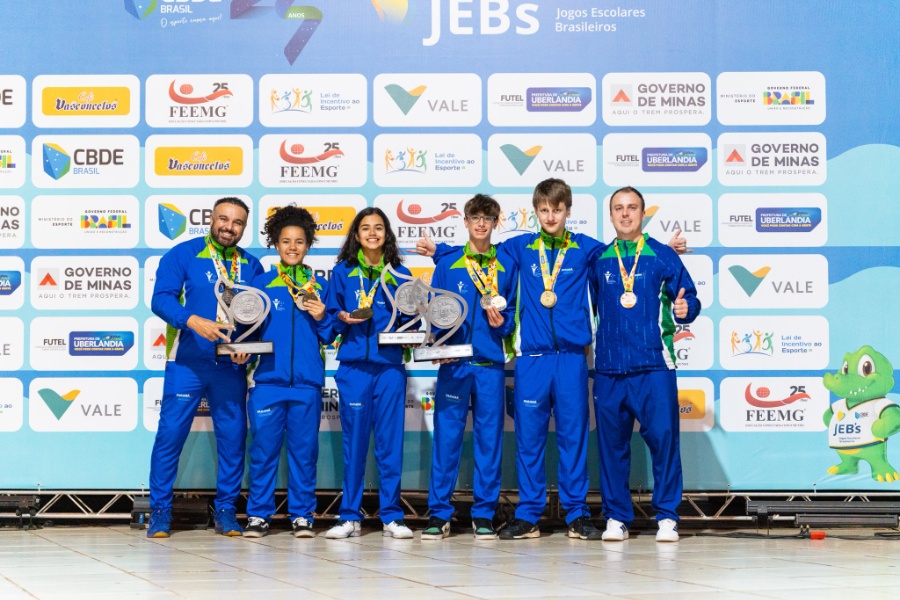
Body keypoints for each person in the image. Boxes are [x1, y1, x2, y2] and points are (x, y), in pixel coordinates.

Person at [419, 179, 605, 540]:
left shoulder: (584, 248)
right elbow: (475, 253)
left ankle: (576, 514)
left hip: (569, 357)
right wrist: (441, 249)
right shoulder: (518, 248)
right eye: (544, 210)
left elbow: (620, 251)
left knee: (573, 438)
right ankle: (529, 513)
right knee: (528, 441)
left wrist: (663, 251)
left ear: (568, 210)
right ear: (535, 212)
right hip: (530, 358)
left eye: (557, 209)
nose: (550, 216)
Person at [148, 196, 264, 538]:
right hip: (187, 362)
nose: (229, 227)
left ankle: (226, 511)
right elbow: (160, 299)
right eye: (224, 219)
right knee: (170, 437)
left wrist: (248, 350)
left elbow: (257, 316)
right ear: (211, 219)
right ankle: (160, 512)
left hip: (230, 366)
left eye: (238, 222)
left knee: (233, 438)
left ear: (244, 227)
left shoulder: (252, 265)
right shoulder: (183, 254)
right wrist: (191, 319)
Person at [590, 186, 700, 543]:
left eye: (632, 207)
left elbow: (690, 298)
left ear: (642, 213)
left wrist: (687, 310)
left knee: (665, 442)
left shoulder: (663, 255)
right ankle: (616, 518)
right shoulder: (599, 258)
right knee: (611, 448)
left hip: (654, 365)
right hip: (608, 368)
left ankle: (667, 516)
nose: (625, 214)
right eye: (618, 208)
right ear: (610, 215)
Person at [419, 194, 518, 541]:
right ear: (464, 221)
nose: (480, 224)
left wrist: (502, 323)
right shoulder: (448, 264)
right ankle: (439, 513)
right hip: (455, 365)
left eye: (487, 219)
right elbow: (434, 315)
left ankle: (484, 514)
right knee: (446, 440)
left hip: (490, 365)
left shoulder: (506, 263)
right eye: (474, 217)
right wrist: (436, 347)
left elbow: (513, 318)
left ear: (495, 223)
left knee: (489, 442)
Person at [238, 205, 335, 539]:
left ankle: (302, 515)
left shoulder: (320, 286)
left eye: (299, 241)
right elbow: (245, 331)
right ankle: (258, 515)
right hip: (267, 382)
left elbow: (330, 335)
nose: (292, 247)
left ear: (308, 245)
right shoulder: (261, 284)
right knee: (263, 451)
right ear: (275, 245)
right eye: (285, 241)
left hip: (306, 384)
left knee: (304, 452)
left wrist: (324, 316)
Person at [324, 207, 414, 539]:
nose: (372, 233)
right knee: (355, 444)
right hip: (353, 369)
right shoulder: (342, 272)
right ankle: (349, 515)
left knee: (390, 444)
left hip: (390, 368)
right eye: (365, 228)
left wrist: (416, 320)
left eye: (378, 228)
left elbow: (410, 320)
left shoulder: (401, 273)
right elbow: (330, 317)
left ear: (386, 234)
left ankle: (392, 515)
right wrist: (343, 319)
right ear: (356, 235)